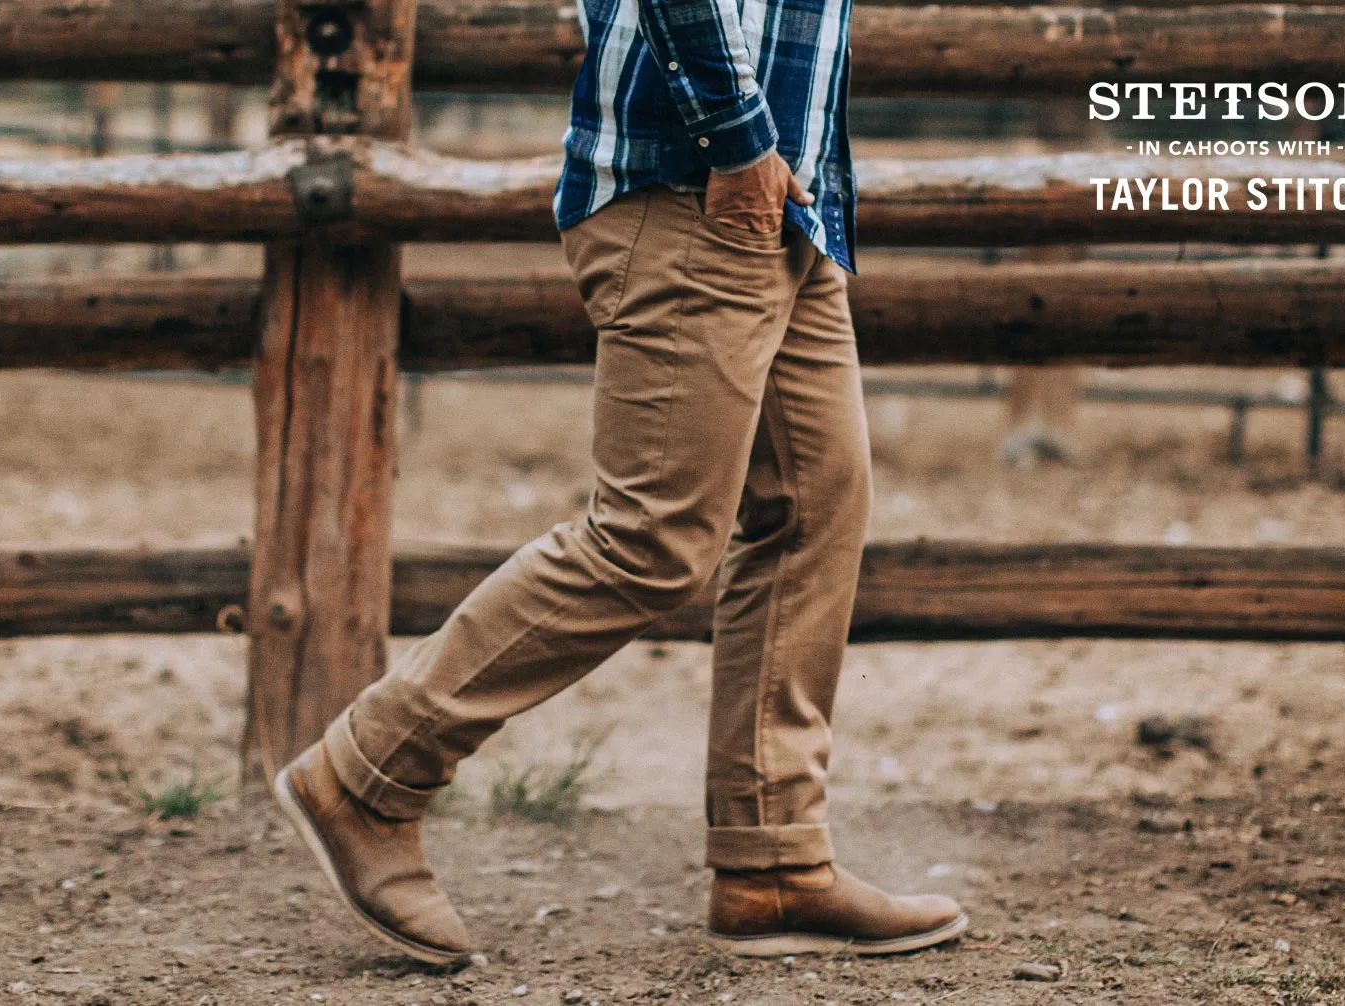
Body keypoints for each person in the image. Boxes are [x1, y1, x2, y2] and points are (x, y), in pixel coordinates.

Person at [274, 0, 966, 965]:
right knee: (651, 536)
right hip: (699, 187)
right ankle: (371, 774)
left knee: (815, 512)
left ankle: (774, 862)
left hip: (787, 200)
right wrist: (738, 143)